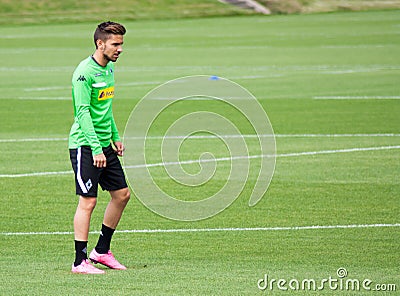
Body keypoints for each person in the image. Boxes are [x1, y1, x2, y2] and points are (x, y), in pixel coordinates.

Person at [68, 21, 131, 274]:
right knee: (88, 201)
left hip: (105, 144)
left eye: (121, 44)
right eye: (115, 44)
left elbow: (105, 109)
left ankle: (101, 251)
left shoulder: (110, 69)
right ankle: (79, 261)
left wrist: (114, 136)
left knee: (122, 194)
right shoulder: (84, 73)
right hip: (85, 145)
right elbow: (82, 113)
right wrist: (95, 147)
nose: (120, 49)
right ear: (100, 43)